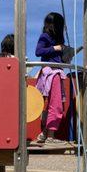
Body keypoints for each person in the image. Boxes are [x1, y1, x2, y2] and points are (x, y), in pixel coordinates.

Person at [35, 12, 67, 144]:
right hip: (51, 73)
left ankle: (44, 134)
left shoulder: (57, 40)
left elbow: (58, 57)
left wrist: (65, 53)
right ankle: (50, 136)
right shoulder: (45, 37)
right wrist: (55, 48)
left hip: (56, 71)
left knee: (51, 104)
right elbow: (38, 52)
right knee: (55, 104)